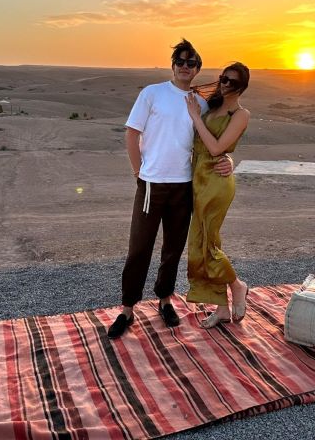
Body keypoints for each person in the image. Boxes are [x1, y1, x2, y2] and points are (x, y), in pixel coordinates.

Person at [107, 39, 233, 339]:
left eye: (191, 62)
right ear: (173, 63)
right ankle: (127, 308)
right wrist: (139, 172)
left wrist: (229, 159)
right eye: (180, 60)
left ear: (198, 69)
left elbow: (213, 141)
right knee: (139, 249)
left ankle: (165, 300)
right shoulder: (152, 93)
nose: (185, 66)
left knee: (173, 249)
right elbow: (132, 133)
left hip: (183, 187)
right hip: (150, 185)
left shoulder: (201, 104)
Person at [184, 62, 251, 329]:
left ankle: (237, 285)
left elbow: (216, 149)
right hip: (197, 178)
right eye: (223, 78)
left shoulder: (241, 114)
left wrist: (195, 118)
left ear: (242, 87)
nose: (225, 84)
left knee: (208, 245)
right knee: (201, 242)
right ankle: (222, 309)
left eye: (232, 82)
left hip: (217, 182)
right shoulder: (212, 105)